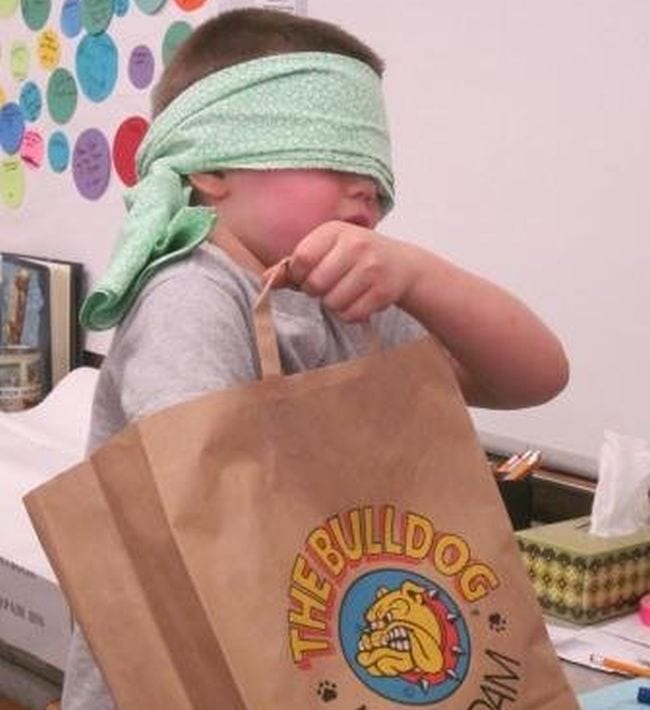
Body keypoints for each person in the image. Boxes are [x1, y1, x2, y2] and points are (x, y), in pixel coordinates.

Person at [62, 8, 569, 708]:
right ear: (211, 166)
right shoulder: (190, 294)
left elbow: (535, 376)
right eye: (333, 153)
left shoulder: (353, 304)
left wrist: (416, 274)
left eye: (376, 168)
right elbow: (206, 515)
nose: (366, 184)